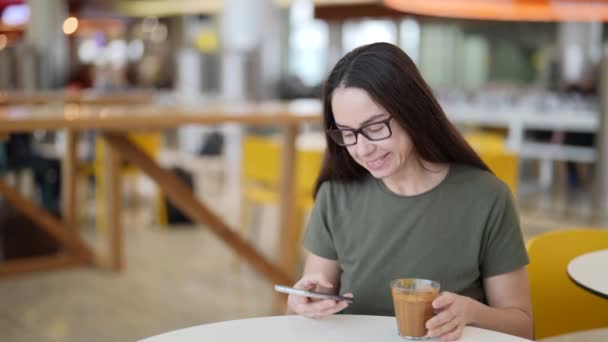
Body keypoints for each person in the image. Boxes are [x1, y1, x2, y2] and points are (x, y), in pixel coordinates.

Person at [286, 42, 533, 341]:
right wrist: (305, 303)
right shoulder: (336, 195)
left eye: (375, 127)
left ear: (411, 112)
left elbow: (523, 327)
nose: (362, 149)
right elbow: (306, 312)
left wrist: (472, 313)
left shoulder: (487, 197)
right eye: (347, 134)